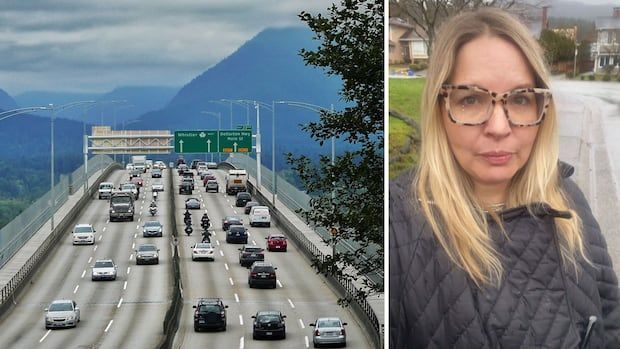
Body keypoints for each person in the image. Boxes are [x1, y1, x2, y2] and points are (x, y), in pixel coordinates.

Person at [389, 8, 620, 349]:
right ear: (439, 108)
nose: (499, 127)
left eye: (521, 98)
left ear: (543, 110)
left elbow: (611, 322)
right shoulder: (397, 226)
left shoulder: (566, 199)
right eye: (470, 99)